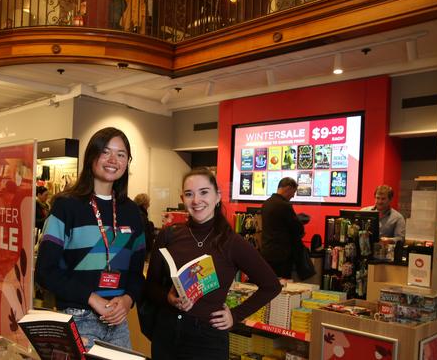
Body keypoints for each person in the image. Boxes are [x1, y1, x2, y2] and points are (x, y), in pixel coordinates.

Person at [145, 168, 281, 359]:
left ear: (217, 196)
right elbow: (150, 287)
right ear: (182, 198)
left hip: (207, 339)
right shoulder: (169, 235)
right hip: (167, 334)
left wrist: (235, 315)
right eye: (189, 194)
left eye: (204, 192)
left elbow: (271, 285)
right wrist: (167, 298)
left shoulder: (231, 242)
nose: (196, 200)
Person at [35, 127, 145, 349]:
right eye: (105, 152)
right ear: (92, 156)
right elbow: (45, 272)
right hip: (78, 319)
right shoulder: (66, 206)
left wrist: (127, 299)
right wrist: (92, 298)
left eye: (121, 154)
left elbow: (136, 274)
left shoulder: (132, 212)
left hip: (118, 323)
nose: (113, 160)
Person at [260, 177, 305, 279]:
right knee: (282, 285)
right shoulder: (284, 205)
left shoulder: (266, 203)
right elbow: (297, 229)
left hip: (266, 251)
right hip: (282, 255)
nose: (293, 196)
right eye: (293, 192)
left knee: (268, 281)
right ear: (288, 188)